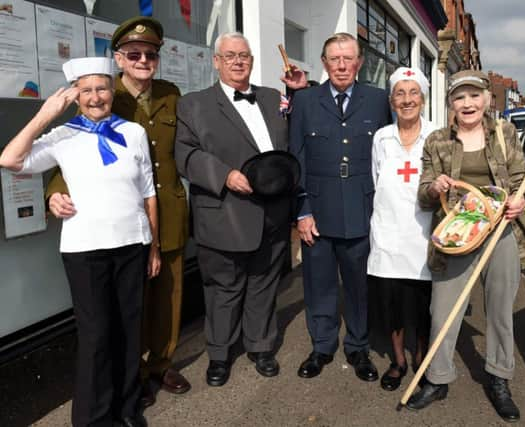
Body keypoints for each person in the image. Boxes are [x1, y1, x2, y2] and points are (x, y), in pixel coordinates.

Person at [0, 57, 159, 427]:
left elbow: (148, 191)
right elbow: (9, 159)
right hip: (85, 250)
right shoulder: (61, 137)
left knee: (128, 331)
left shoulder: (133, 132)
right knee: (96, 336)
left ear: (112, 91)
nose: (95, 97)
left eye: (102, 88)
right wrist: (44, 115)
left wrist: (152, 245)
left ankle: (127, 408)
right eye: (86, 90)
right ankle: (93, 419)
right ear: (75, 97)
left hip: (132, 243)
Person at [45, 17, 191, 406]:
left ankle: (161, 364)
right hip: (122, 222)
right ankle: (134, 372)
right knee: (130, 305)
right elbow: (67, 156)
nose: (143, 59)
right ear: (119, 59)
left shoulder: (171, 94)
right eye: (134, 54)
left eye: (150, 54)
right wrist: (55, 192)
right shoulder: (102, 95)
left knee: (168, 298)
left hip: (167, 210)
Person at [407, 70, 525, 422]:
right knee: (442, 312)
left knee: (500, 312)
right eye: (459, 97)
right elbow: (424, 197)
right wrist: (434, 187)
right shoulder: (437, 141)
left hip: (499, 233)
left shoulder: (504, 133)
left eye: (473, 96)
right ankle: (437, 380)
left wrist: (519, 201)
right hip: (456, 235)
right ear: (451, 103)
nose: (467, 103)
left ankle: (499, 378)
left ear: (486, 100)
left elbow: (520, 179)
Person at [174, 32, 306, 387]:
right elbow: (185, 155)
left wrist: (299, 93)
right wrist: (224, 175)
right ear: (215, 61)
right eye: (229, 56)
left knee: (264, 284)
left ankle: (261, 346)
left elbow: (298, 130)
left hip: (271, 213)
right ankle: (219, 354)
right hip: (224, 212)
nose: (237, 61)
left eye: (244, 55)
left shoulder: (272, 97)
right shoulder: (193, 104)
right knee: (223, 289)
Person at [289, 33, 391, 382]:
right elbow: (295, 158)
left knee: (360, 285)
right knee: (318, 285)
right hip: (316, 209)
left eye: (348, 58)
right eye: (335, 59)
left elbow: (391, 155)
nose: (342, 65)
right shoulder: (304, 102)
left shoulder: (379, 101)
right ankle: (321, 346)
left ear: (359, 62)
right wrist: (301, 211)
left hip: (362, 209)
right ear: (324, 63)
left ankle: (359, 347)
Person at [367, 67, 435, 391]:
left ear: (422, 98)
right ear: (392, 99)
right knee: (390, 305)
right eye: (400, 93)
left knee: (422, 305)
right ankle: (398, 361)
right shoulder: (381, 138)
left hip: (423, 236)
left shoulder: (437, 136)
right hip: (388, 234)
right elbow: (375, 180)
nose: (407, 100)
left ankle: (421, 357)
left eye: (413, 93)